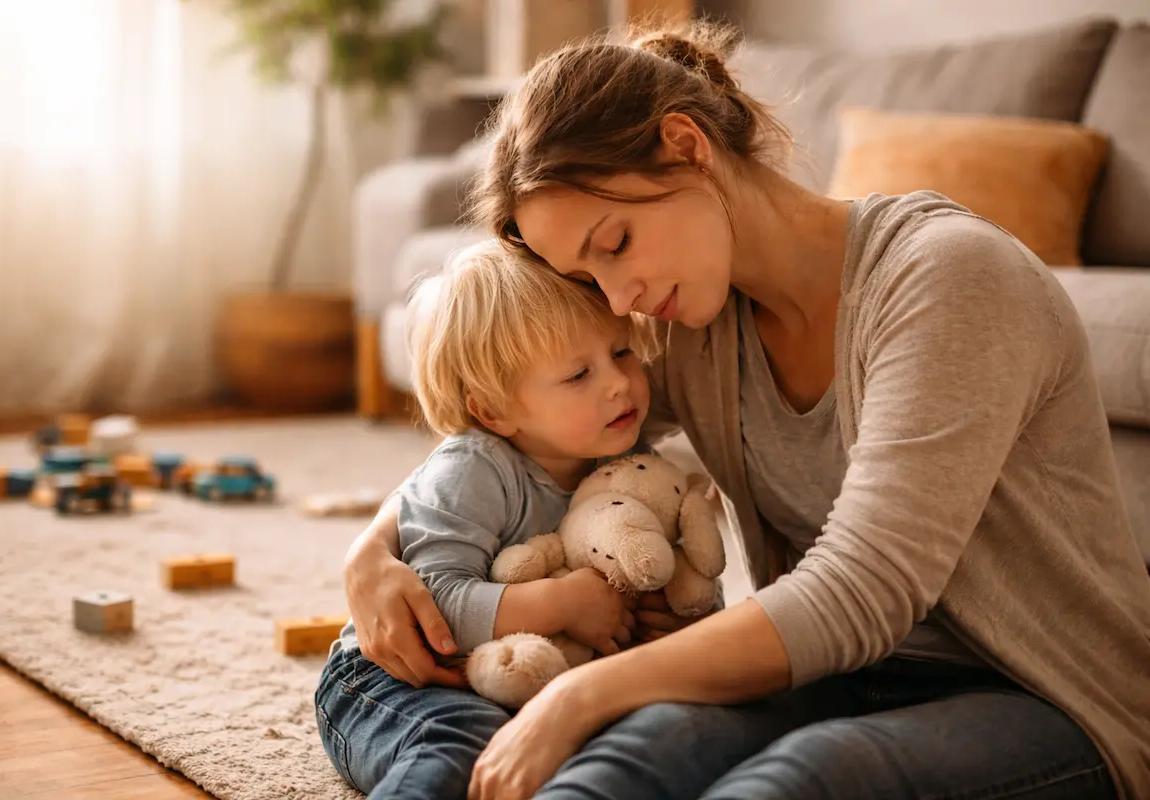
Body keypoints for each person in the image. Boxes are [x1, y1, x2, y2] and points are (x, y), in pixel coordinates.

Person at [342, 21, 1150, 800]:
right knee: (626, 762)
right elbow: (530, 438)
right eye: (589, 279)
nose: (619, 299)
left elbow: (864, 590)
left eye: (615, 243)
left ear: (687, 145)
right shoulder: (695, 320)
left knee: (791, 782)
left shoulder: (946, 279)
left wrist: (580, 695)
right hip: (834, 673)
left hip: (1043, 699)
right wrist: (374, 549)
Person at [316, 238, 658, 799]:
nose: (618, 382)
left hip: (527, 682)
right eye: (579, 375)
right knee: (465, 740)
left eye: (621, 352)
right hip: (391, 681)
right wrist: (563, 603)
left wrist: (669, 618)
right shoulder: (473, 469)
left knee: (637, 740)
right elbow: (434, 603)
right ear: (493, 411)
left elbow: (669, 560)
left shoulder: (628, 461)